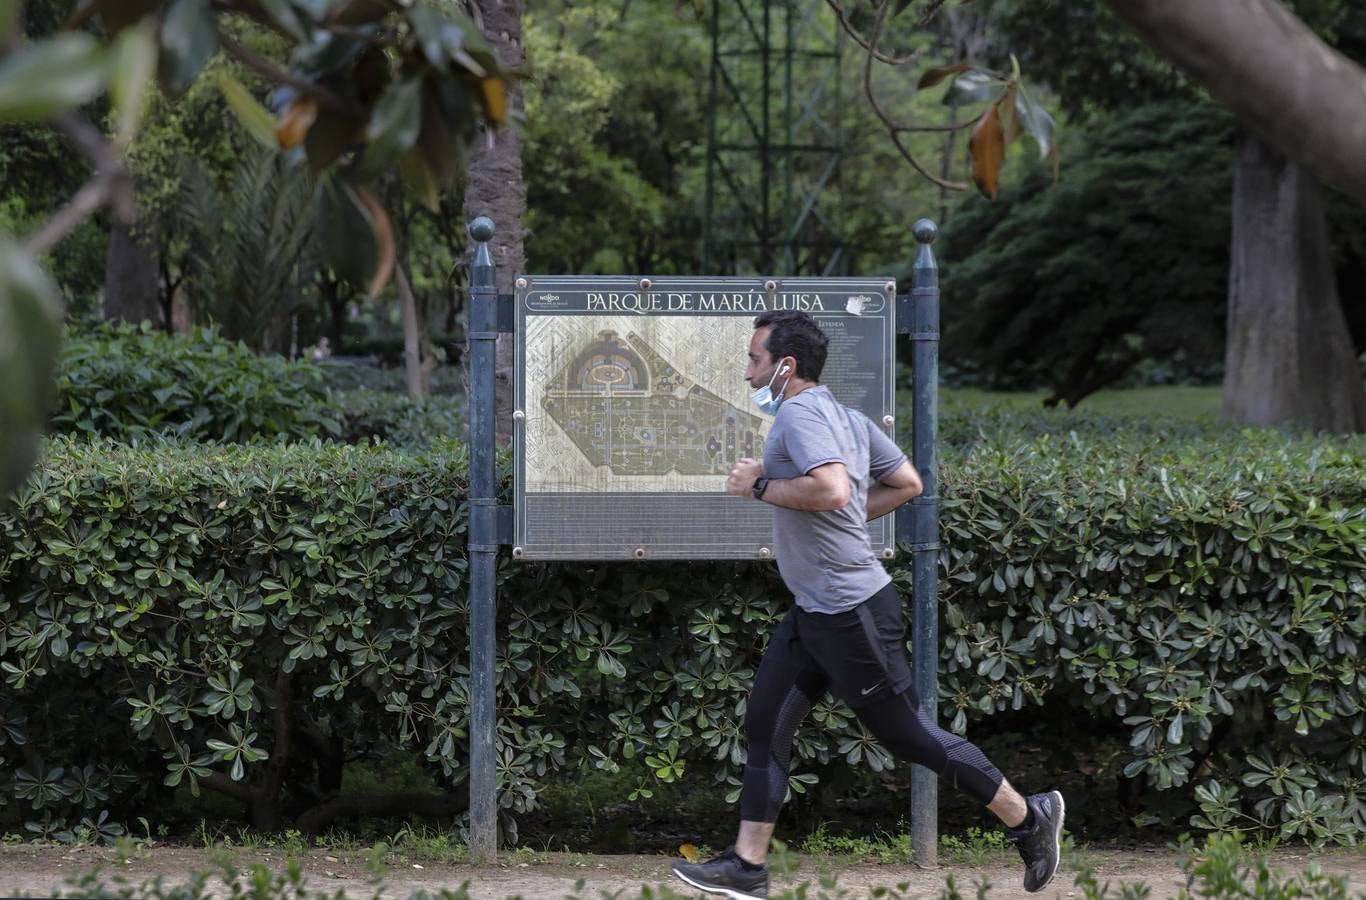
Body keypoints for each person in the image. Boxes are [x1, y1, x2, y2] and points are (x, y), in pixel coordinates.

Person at [670, 310, 1063, 900]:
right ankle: (746, 867)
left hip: (849, 609)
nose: (747, 375)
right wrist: (845, 515)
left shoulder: (801, 414)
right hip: (816, 609)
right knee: (765, 725)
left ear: (786, 366)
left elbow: (830, 489)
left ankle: (1029, 819)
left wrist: (757, 486)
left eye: (754, 361)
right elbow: (907, 482)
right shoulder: (844, 416)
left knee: (906, 735)